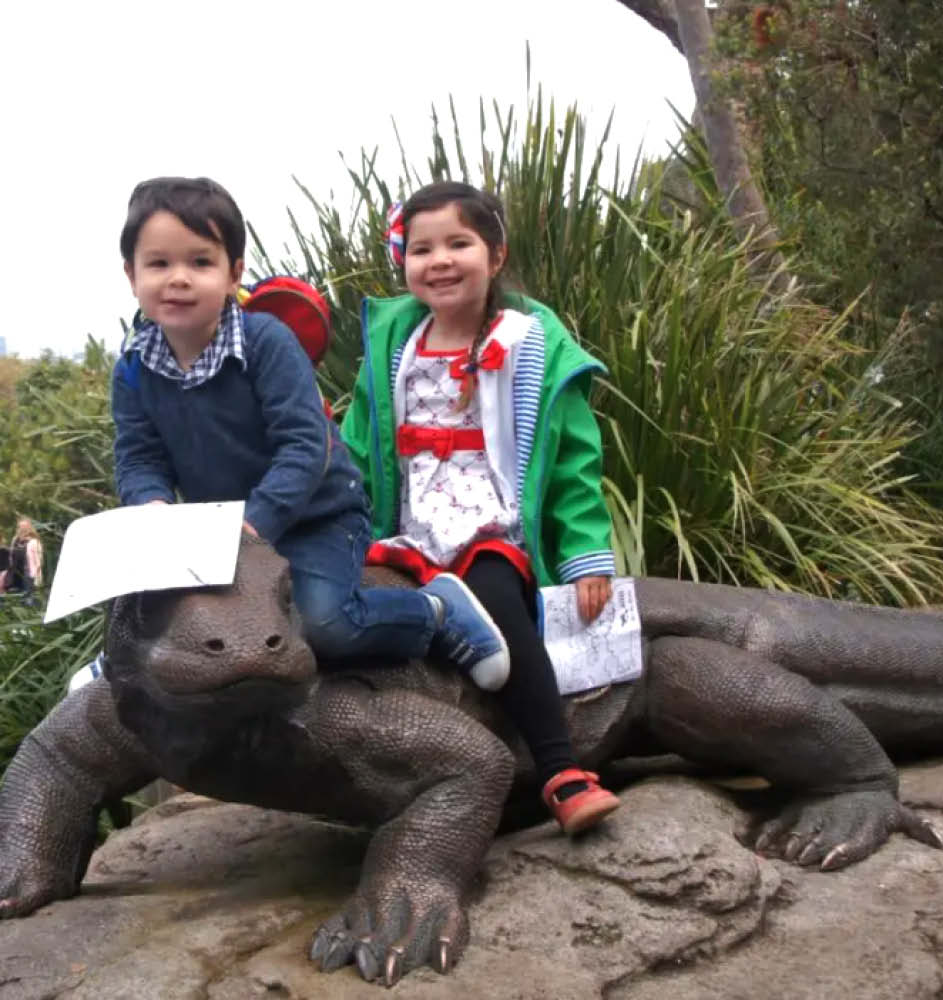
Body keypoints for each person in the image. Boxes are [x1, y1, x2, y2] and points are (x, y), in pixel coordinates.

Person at [111, 176, 511, 691]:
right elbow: (139, 456)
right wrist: (150, 502)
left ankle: (434, 612)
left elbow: (305, 446)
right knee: (177, 626)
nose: (179, 279)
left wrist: (256, 524)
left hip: (315, 515)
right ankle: (115, 675)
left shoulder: (265, 343)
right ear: (131, 274)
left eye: (200, 262)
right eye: (159, 264)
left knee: (325, 625)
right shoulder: (132, 369)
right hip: (216, 535)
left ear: (234, 273)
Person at [341, 181, 621, 834]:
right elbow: (357, 445)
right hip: (409, 530)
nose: (438, 260)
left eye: (457, 243)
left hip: (491, 523)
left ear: (494, 254)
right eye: (420, 249)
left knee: (500, 602)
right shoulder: (393, 348)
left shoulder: (529, 343)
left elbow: (577, 462)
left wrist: (586, 556)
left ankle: (560, 771)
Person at [8, 518, 43, 604]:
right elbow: (11, 555)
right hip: (16, 575)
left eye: (25, 527)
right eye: (21, 527)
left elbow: (39, 561)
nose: (22, 529)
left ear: (29, 528)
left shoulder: (34, 541)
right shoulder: (15, 540)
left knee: (28, 601)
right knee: (15, 601)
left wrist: (36, 577)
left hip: (29, 575)